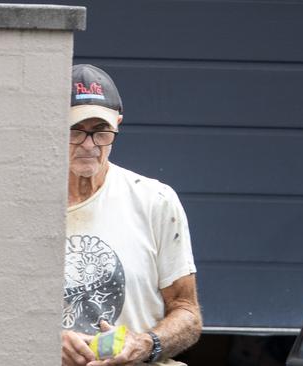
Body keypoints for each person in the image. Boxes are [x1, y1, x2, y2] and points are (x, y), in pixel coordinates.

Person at [61, 64, 202, 366]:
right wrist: (50, 342)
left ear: (118, 125)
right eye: (76, 131)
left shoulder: (154, 200)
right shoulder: (24, 210)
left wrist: (145, 344)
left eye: (101, 132)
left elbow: (188, 314)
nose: (89, 145)